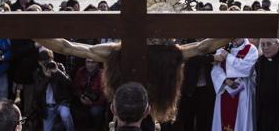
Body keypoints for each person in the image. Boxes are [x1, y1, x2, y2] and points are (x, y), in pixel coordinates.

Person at [36, 37, 230, 123]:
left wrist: (30, 31)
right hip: (126, 113)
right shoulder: (116, 51)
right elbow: (68, 47)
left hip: (148, 111)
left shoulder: (169, 54)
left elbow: (204, 47)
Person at [211, 38, 257, 131]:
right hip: (225, 89)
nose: (234, 39)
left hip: (242, 91)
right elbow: (215, 69)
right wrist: (224, 80)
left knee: (240, 120)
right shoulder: (223, 49)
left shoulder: (251, 49)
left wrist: (228, 57)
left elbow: (246, 69)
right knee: (222, 121)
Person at [34, 49, 74, 131]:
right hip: (47, 108)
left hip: (61, 103)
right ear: (39, 62)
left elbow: (69, 83)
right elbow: (38, 91)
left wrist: (58, 72)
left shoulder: (59, 67)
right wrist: (46, 78)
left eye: (48, 61)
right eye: (44, 62)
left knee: (65, 115)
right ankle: (59, 126)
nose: (46, 64)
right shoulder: (37, 73)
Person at [73, 58, 106, 131]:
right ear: (85, 63)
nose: (90, 65)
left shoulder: (102, 74)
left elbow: (103, 96)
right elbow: (76, 87)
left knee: (95, 112)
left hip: (96, 103)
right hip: (82, 99)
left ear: (97, 63)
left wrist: (92, 103)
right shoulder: (81, 71)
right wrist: (81, 96)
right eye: (88, 62)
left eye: (93, 62)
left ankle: (98, 128)